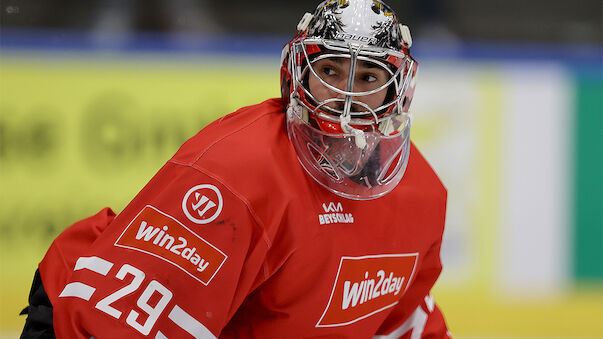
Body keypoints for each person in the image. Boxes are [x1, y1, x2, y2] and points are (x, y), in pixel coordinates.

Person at [20, 0, 451, 337]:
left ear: (399, 90)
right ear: (296, 72)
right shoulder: (240, 173)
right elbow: (120, 322)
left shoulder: (421, 195)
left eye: (368, 78)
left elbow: (401, 323)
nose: (347, 96)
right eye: (331, 70)